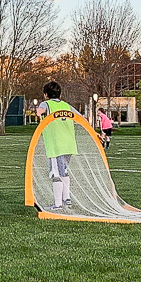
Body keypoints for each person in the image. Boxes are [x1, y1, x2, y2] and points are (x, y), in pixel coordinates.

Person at [36, 80, 80, 211]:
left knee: (56, 173)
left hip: (56, 145)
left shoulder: (46, 103)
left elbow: (41, 110)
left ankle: (57, 204)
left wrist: (38, 112)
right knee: (64, 171)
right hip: (69, 144)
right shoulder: (66, 105)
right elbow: (80, 118)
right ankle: (67, 199)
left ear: (46, 95)